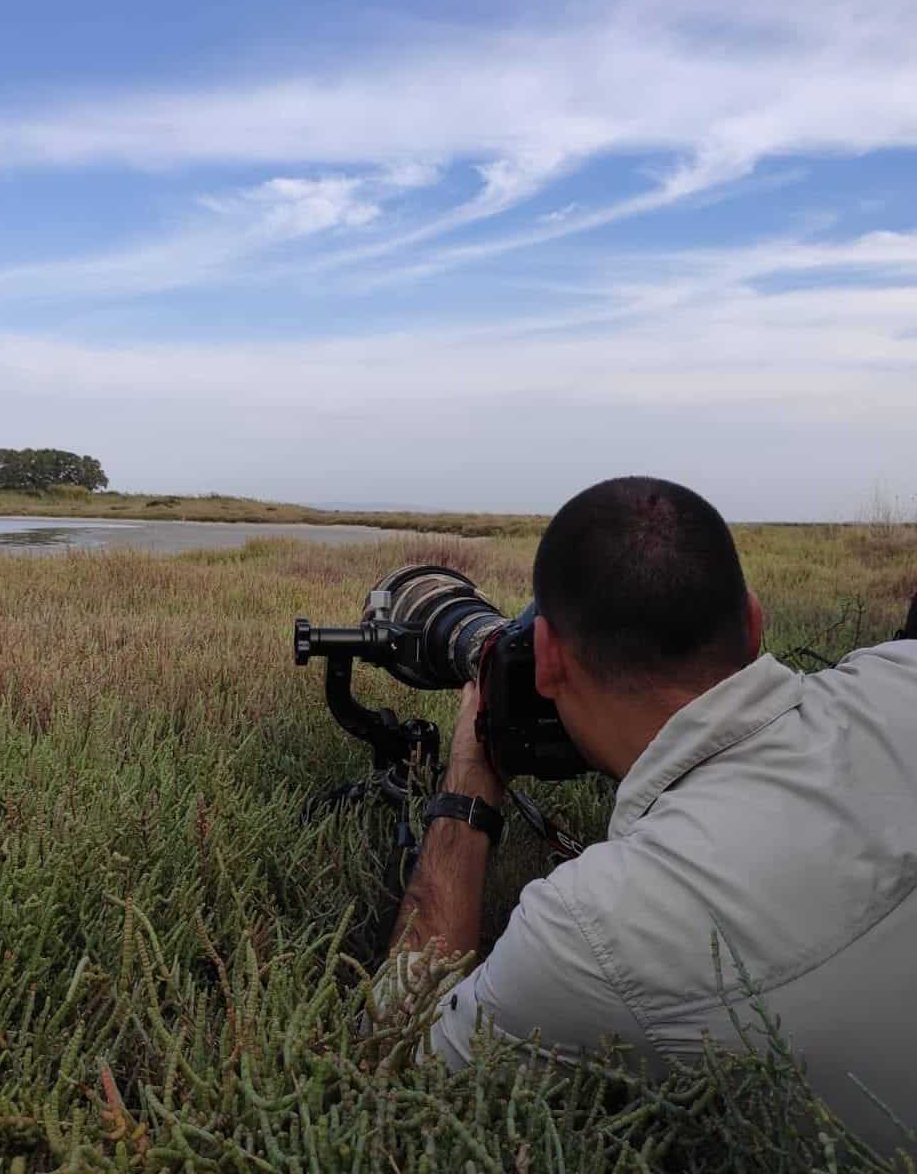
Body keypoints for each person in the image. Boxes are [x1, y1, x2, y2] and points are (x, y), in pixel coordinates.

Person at [390, 476, 917, 1155]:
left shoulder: (594, 924)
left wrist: (469, 775)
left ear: (548, 659)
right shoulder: (899, 675)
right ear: (754, 622)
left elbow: (396, 1065)